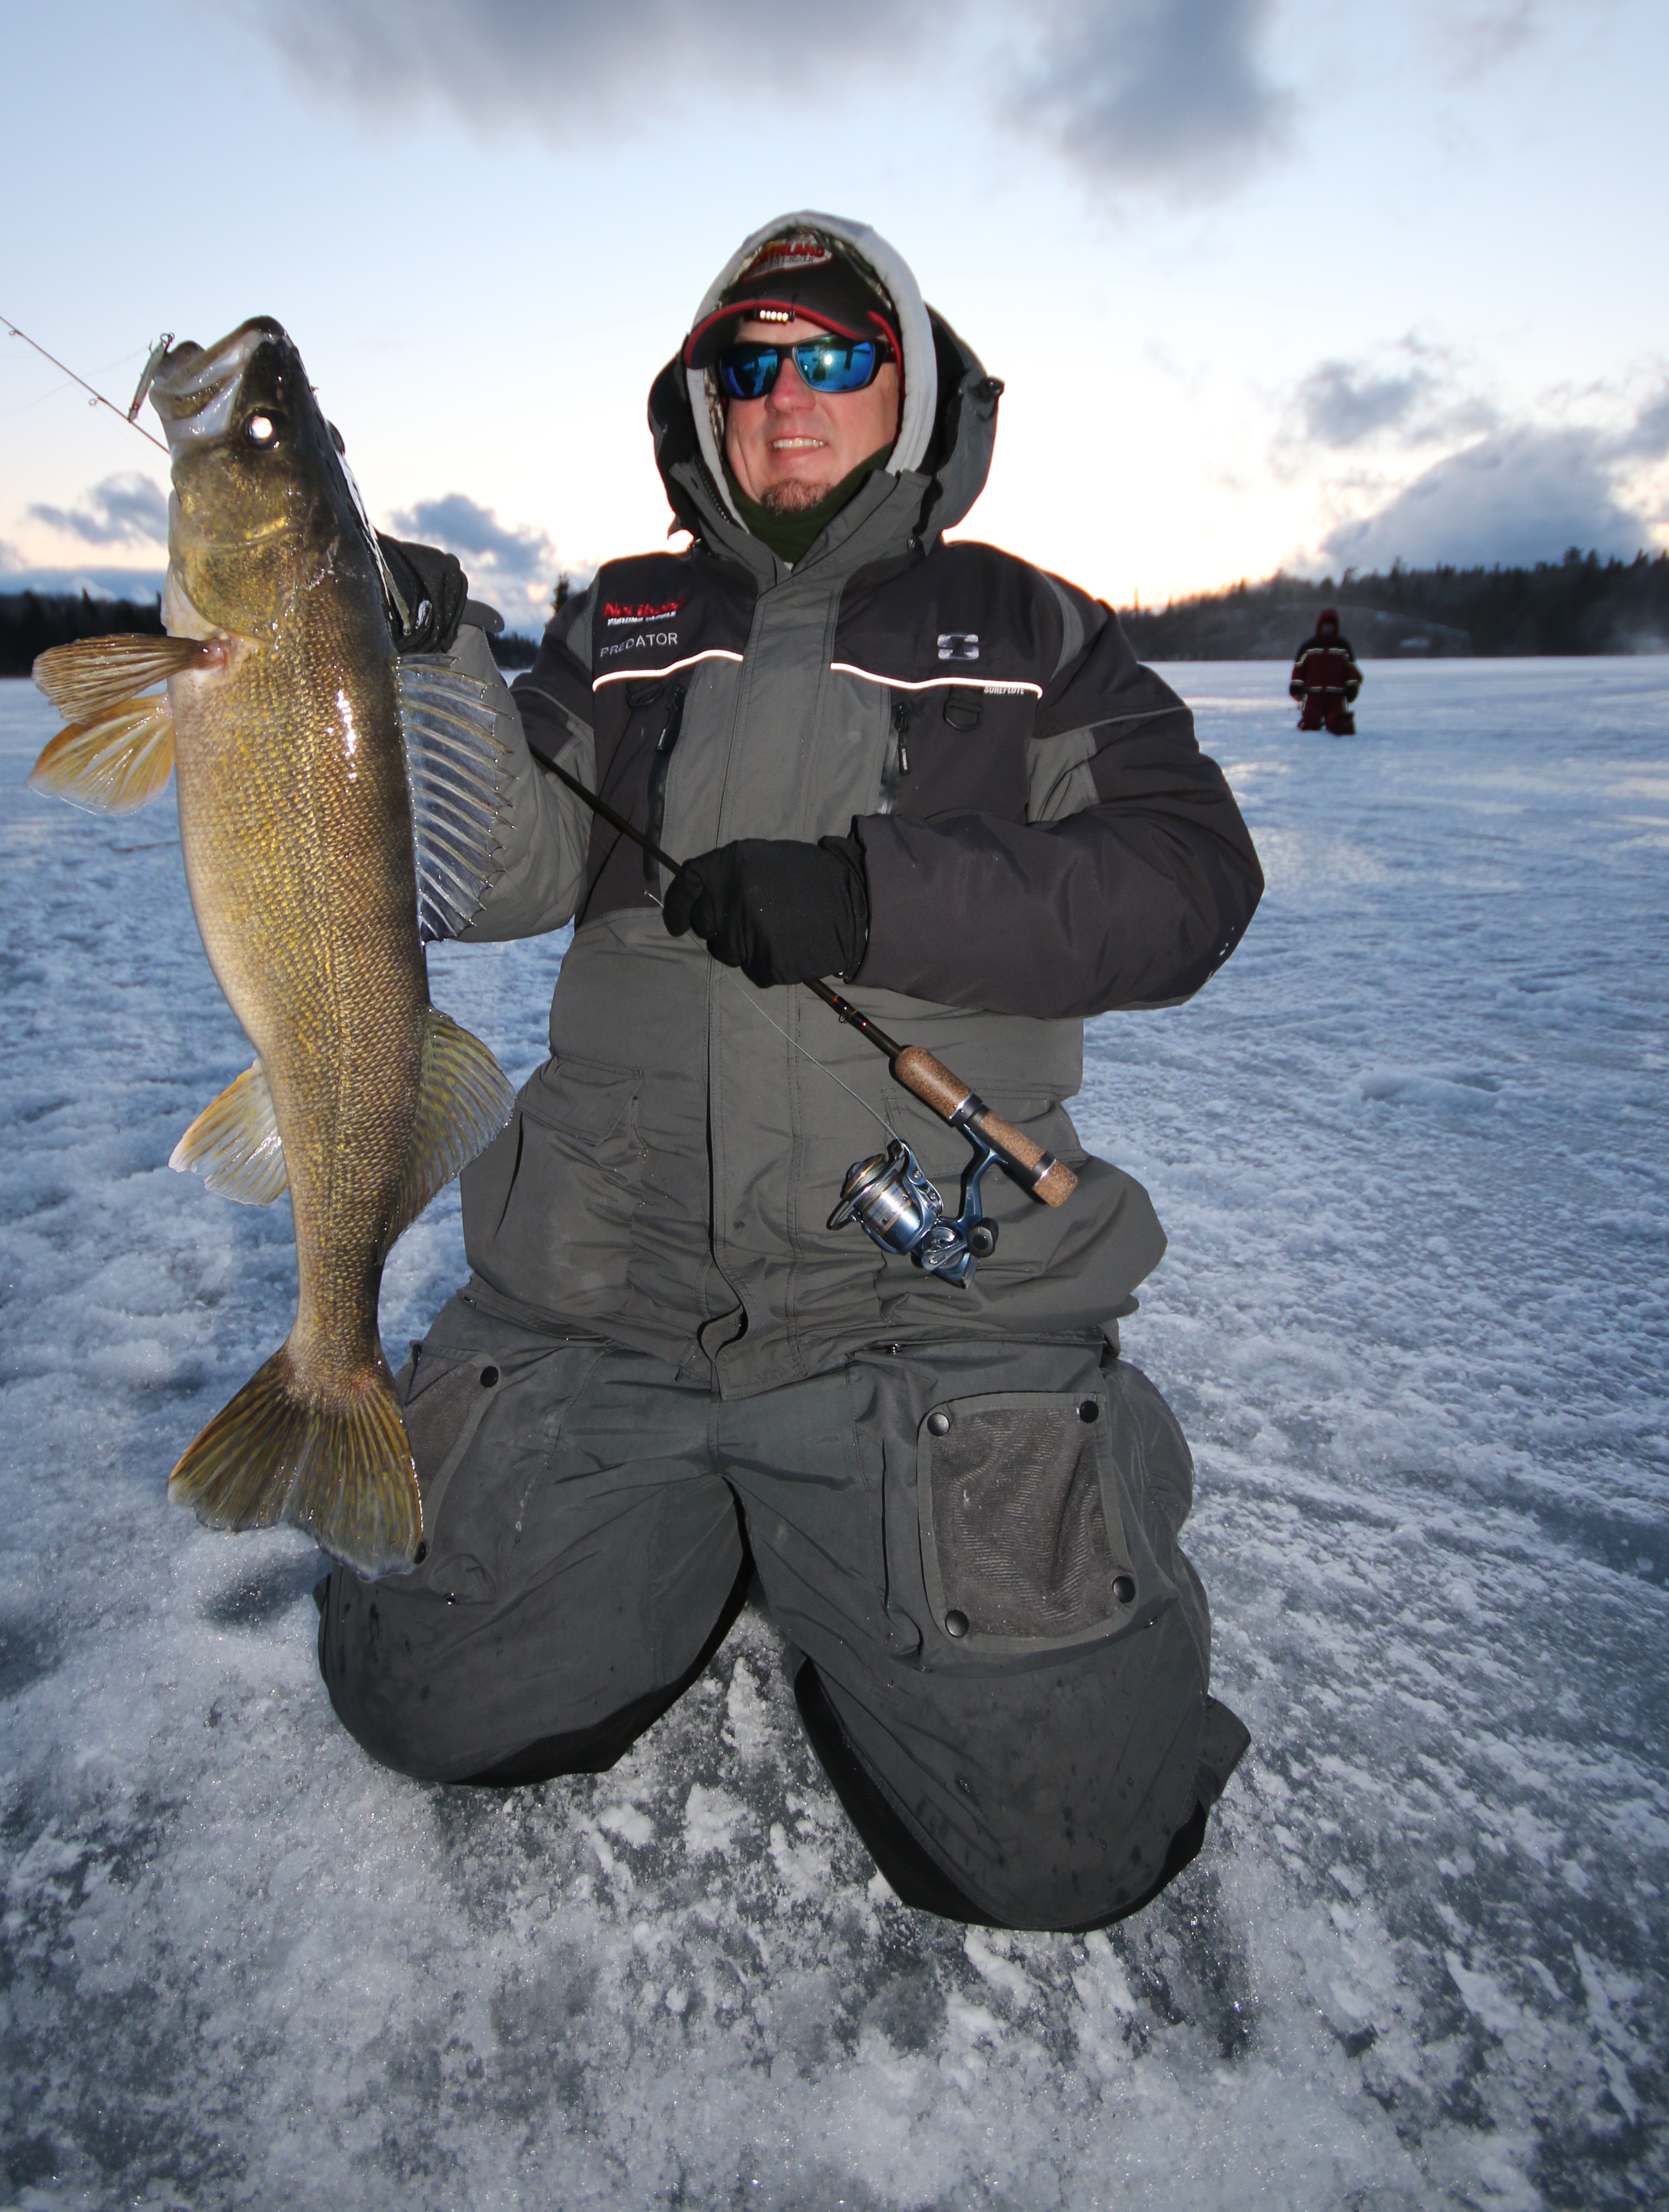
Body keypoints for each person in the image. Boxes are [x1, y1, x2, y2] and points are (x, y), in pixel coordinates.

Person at [329, 214, 1265, 1933]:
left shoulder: (1033, 629)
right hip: (607, 1288)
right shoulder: (614, 624)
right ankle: (699, 1541)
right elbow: (488, 872)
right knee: (417, 1691)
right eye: (743, 365)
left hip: (929, 1302)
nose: (783, 399)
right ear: (701, 403)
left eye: (833, 356)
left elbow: (1187, 884)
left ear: (908, 388)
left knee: (1070, 1839)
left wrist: (871, 893)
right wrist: (423, 667)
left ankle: (928, 1522)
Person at [1290, 607, 1362, 735]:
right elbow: (1299, 669)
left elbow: (1353, 671)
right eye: (1326, 626)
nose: (1328, 629)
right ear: (1320, 626)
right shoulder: (1309, 646)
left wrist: (1352, 688)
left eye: (1331, 626)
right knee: (1310, 726)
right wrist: (1296, 687)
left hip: (1336, 697)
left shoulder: (1343, 646)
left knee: (1339, 727)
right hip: (1313, 697)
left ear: (1336, 627)